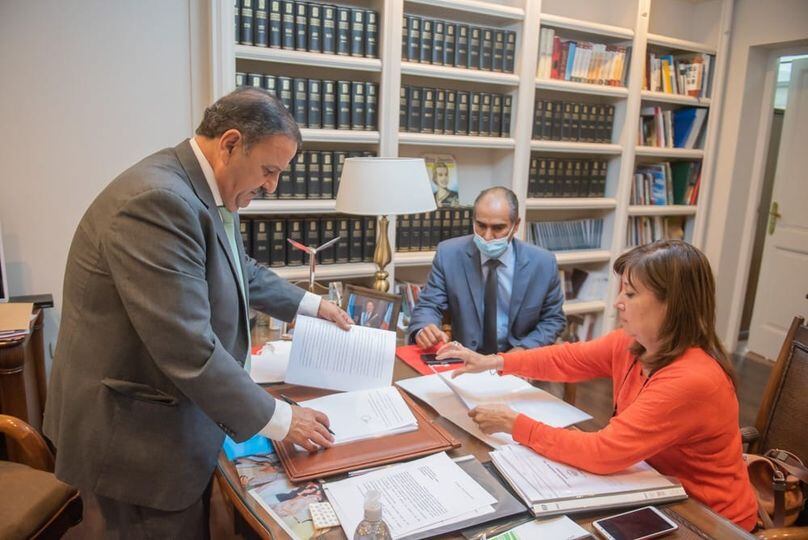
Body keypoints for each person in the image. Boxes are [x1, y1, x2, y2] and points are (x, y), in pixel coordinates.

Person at [43, 87, 354, 538]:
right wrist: (282, 419)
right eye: (269, 170)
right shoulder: (158, 201)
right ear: (230, 144)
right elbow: (187, 348)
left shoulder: (202, 188)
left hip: (164, 416)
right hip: (132, 437)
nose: (272, 186)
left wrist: (310, 305)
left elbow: (236, 266)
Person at [437, 240, 758, 531]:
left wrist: (514, 423)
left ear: (671, 304)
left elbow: (603, 453)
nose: (618, 302)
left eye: (630, 293)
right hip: (653, 485)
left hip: (708, 519)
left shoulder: (691, 378)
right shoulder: (634, 343)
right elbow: (567, 359)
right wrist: (494, 361)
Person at [409, 186, 565, 353]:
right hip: (465, 358)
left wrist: (524, 349)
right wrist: (424, 327)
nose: (487, 236)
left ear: (516, 225)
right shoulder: (449, 255)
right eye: (481, 225)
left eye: (498, 228)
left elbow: (553, 320)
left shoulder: (542, 263)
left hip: (518, 360)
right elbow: (429, 304)